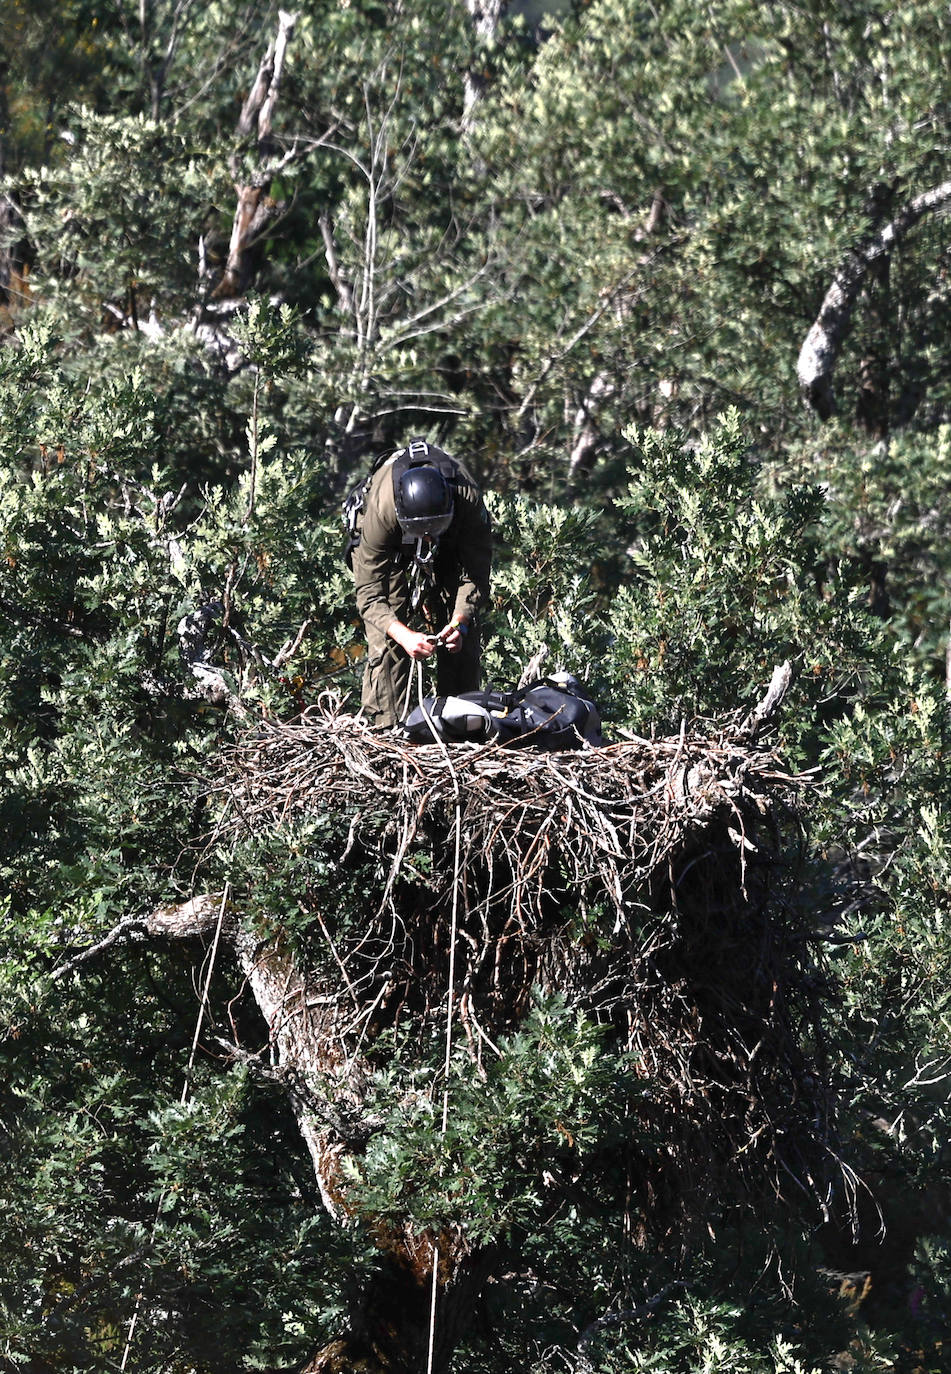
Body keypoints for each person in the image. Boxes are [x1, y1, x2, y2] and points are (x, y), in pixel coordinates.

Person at [350, 437, 492, 727]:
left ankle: (461, 723)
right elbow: (368, 592)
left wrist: (459, 622)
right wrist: (403, 635)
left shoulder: (467, 499)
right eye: (421, 532)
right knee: (388, 640)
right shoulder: (383, 511)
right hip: (391, 549)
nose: (426, 538)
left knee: (461, 636)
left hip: (451, 543)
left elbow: (475, 575)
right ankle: (388, 730)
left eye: (432, 531)